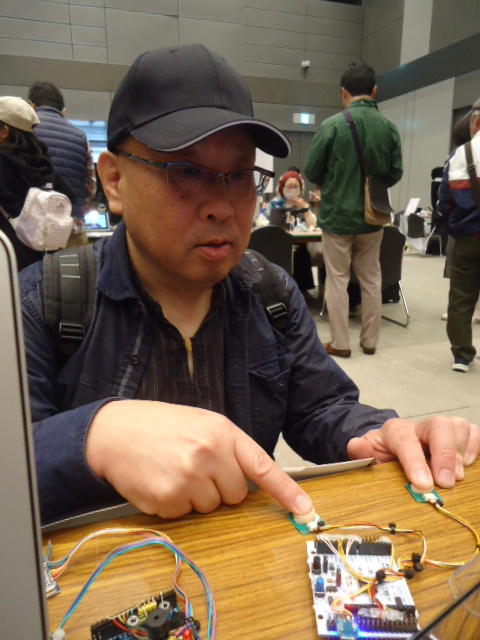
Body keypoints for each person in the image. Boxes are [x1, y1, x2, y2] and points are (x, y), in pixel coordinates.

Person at [19, 45, 479, 525]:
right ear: (114, 181)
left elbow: (321, 406)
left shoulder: (269, 292)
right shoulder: (44, 303)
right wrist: (91, 437)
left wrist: (379, 431)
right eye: (186, 171)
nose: (222, 207)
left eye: (239, 175)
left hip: (248, 557)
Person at [304, 62, 403, 358]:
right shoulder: (388, 127)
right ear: (375, 91)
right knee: (371, 278)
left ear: (343, 92)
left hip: (337, 215)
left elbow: (312, 170)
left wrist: (335, 183)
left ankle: (341, 343)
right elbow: (395, 173)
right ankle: (370, 341)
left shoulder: (332, 125)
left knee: (337, 279)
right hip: (373, 215)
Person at [0, 96, 73, 270]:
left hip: (8, 259)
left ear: (5, 131)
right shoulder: (42, 161)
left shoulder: (2, 161)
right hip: (41, 257)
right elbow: (69, 194)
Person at [438, 101, 480, 373]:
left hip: (467, 237)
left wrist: (453, 226)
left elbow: (443, 201)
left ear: (475, 122)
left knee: (461, 298)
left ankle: (462, 356)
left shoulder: (460, 155)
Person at [28, 81, 96, 246]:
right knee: (75, 263)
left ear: (30, 106)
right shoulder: (81, 137)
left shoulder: (24, 133)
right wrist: (79, 208)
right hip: (71, 229)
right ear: (63, 110)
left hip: (31, 232)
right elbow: (90, 187)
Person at [262, 170, 317, 298]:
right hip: (278, 244)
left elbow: (313, 223)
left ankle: (303, 290)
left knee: (302, 253)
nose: (292, 189)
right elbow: (262, 219)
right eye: (289, 186)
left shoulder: (302, 204)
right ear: (282, 188)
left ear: (300, 188)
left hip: (299, 243)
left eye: (295, 186)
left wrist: (305, 209)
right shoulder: (275, 203)